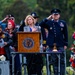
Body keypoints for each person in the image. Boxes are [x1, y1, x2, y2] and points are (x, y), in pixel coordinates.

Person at [39, 8, 68, 75]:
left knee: (62, 60)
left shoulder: (62, 23)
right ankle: (55, 73)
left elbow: (65, 34)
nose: (55, 16)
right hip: (51, 44)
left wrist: (65, 43)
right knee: (54, 60)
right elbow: (41, 24)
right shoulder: (49, 22)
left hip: (60, 44)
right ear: (52, 15)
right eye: (54, 15)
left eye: (57, 15)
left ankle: (62, 73)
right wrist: (48, 18)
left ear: (59, 15)